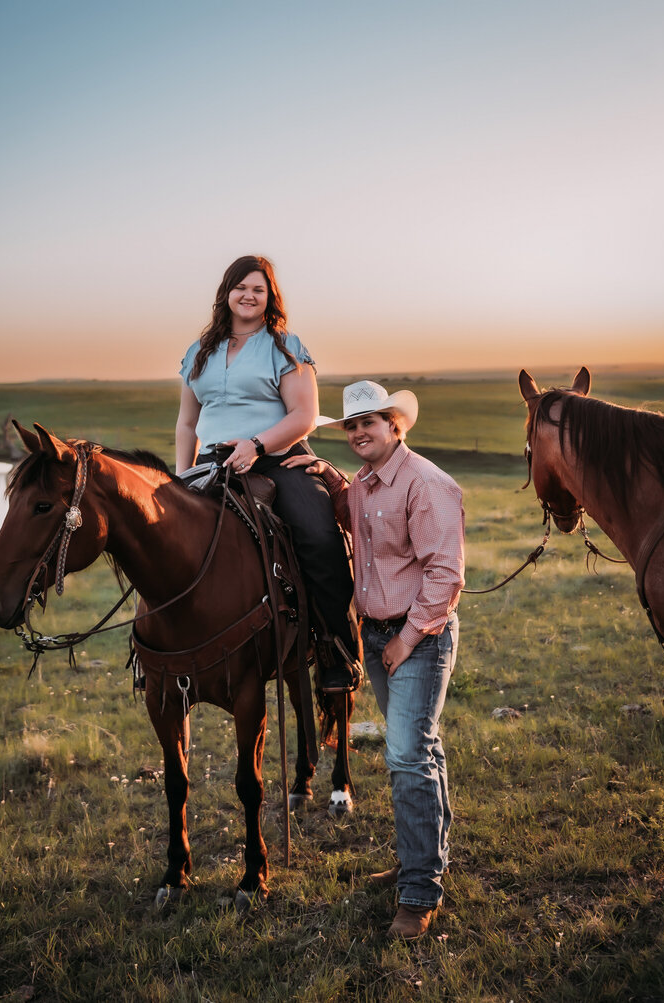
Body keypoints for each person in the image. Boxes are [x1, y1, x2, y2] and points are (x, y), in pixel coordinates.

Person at [282, 379, 465, 940]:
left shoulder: (426, 483)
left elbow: (445, 574)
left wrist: (405, 641)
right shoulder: (362, 484)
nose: (359, 432)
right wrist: (318, 472)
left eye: (370, 422)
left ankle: (419, 893)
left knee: (408, 756)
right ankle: (421, 862)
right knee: (420, 751)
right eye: (352, 425)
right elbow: (349, 510)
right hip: (380, 634)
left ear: (394, 425)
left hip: (418, 637)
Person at [175, 254, 361, 690]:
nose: (249, 295)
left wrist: (256, 445)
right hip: (213, 463)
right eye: (241, 287)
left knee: (318, 536)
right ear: (226, 293)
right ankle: (160, 653)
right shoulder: (199, 352)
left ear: (269, 296)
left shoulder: (285, 346)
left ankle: (336, 650)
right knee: (162, 537)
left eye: (258, 289)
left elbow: (304, 415)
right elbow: (186, 422)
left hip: (278, 459)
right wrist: (182, 477)